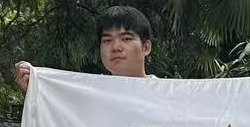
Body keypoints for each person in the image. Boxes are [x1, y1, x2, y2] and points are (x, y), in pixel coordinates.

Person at [14, 5, 156, 90]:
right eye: (107, 40)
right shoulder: (90, 94)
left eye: (126, 39)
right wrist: (35, 87)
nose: (116, 47)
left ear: (146, 47)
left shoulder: (164, 94)